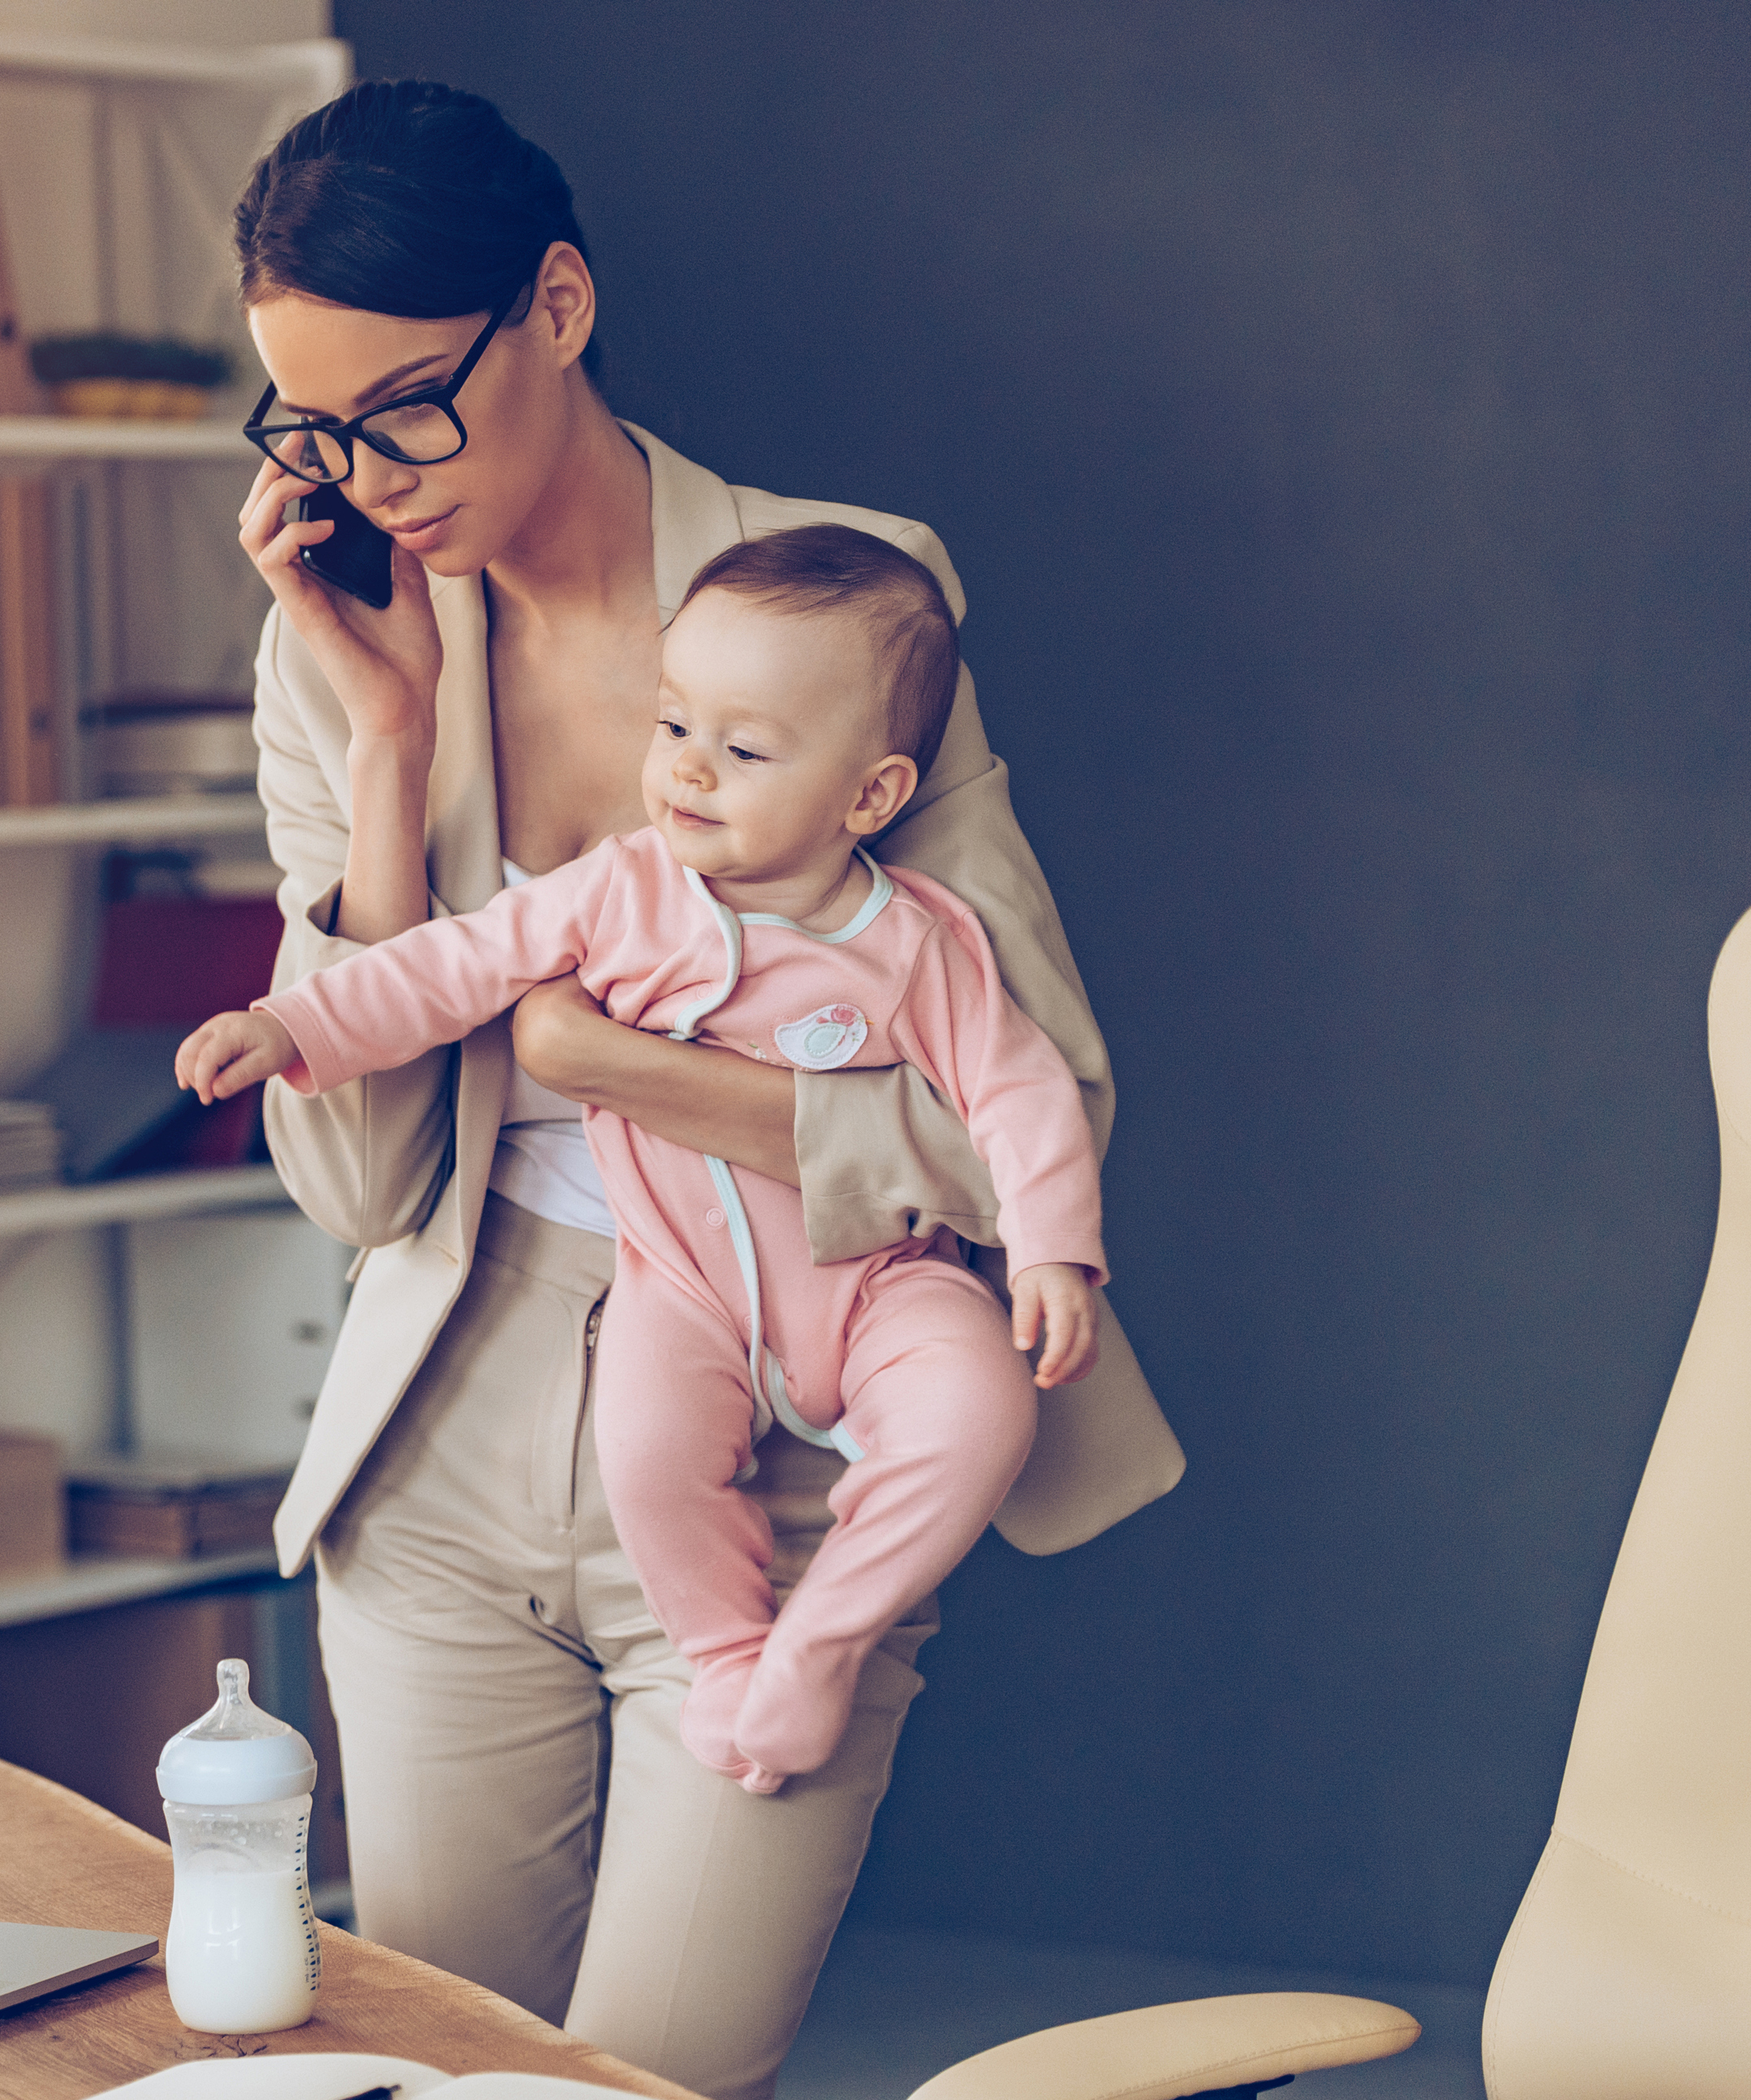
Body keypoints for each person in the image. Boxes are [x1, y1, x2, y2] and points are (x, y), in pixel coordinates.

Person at [231, 80, 1187, 2100]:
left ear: (558, 306)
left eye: (407, 406)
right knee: (423, 2072)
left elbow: (1032, 1110)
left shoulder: (844, 598)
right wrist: (385, 749)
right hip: (449, 1442)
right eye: (309, 428)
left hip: (787, 1438)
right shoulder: (332, 649)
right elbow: (360, 1182)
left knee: (644, 2083)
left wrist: (622, 1068)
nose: (367, 478)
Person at [185, 523, 1105, 1790]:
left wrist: (1054, 1252)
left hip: (883, 1282)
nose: (686, 772)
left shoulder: (917, 940)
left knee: (982, 1407)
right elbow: (452, 967)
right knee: (646, 1443)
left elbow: (1021, 1089)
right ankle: (730, 1651)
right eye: (674, 726)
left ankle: (821, 1639)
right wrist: (291, 1023)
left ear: (872, 795)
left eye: (743, 749)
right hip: (679, 1289)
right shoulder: (619, 889)